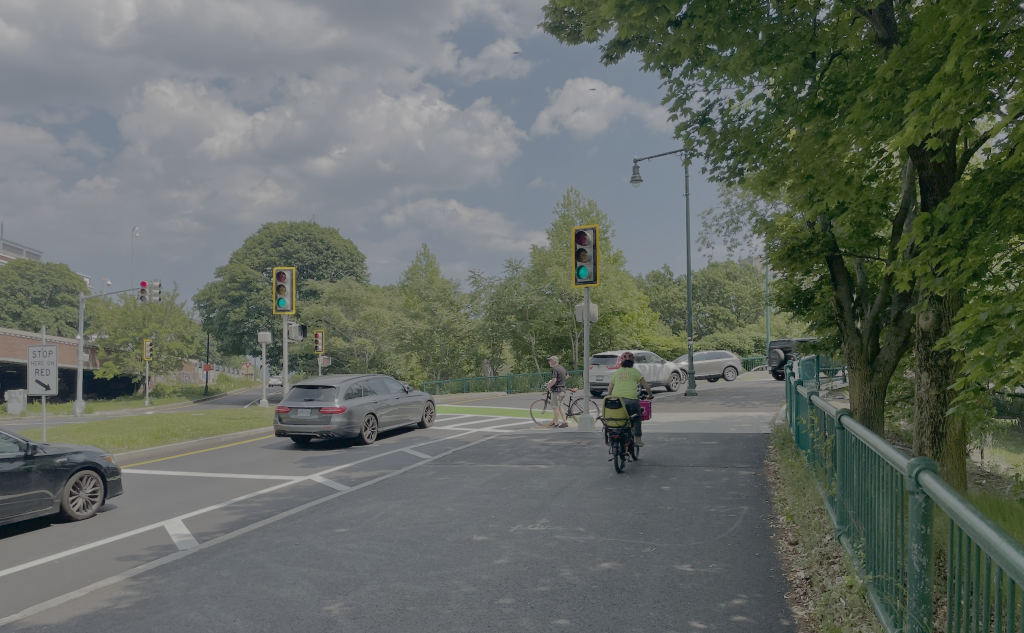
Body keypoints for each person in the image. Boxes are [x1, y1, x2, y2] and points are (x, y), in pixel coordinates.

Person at [607, 351, 652, 446]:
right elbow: (647, 387)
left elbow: (610, 388)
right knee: (636, 417)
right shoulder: (635, 372)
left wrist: (610, 395)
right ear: (633, 362)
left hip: (617, 400)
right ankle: (637, 439)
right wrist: (650, 395)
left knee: (617, 417)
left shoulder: (617, 372)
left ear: (621, 362)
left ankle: (611, 436)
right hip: (631, 400)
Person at [544, 355, 568, 428]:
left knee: (555, 407)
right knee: (560, 406)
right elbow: (567, 376)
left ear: (554, 361)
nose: (549, 362)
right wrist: (561, 381)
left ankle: (556, 423)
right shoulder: (561, 368)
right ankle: (564, 422)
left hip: (557, 391)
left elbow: (554, 380)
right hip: (562, 390)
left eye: (550, 360)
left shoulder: (555, 369)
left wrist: (549, 386)